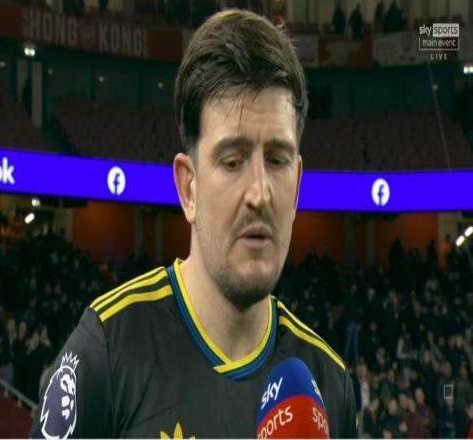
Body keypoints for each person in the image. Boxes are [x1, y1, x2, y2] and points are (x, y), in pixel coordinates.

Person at [31, 9, 357, 438]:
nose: (259, 193)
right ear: (189, 187)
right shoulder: (108, 350)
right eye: (233, 160)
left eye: (277, 160)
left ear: (297, 185)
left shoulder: (330, 383)